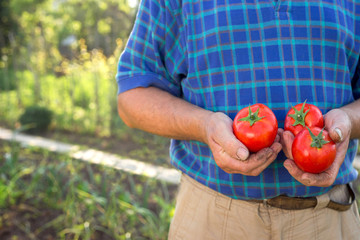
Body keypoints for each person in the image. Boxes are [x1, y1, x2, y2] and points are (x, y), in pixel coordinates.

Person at [116, 0, 360, 239]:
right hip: (211, 220)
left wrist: (348, 120)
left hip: (330, 218)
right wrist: (204, 125)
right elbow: (132, 97)